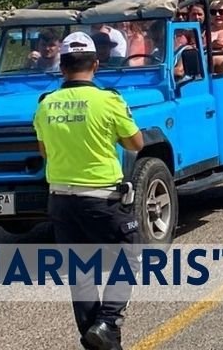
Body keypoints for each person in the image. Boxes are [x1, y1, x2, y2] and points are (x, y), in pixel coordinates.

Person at [32, 32, 144, 350]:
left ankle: (99, 339)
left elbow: (44, 152)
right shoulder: (108, 100)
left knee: (80, 272)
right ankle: (108, 321)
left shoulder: (45, 105)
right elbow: (137, 143)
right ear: (96, 63)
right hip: (101, 198)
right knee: (130, 256)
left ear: (61, 66)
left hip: (60, 200)